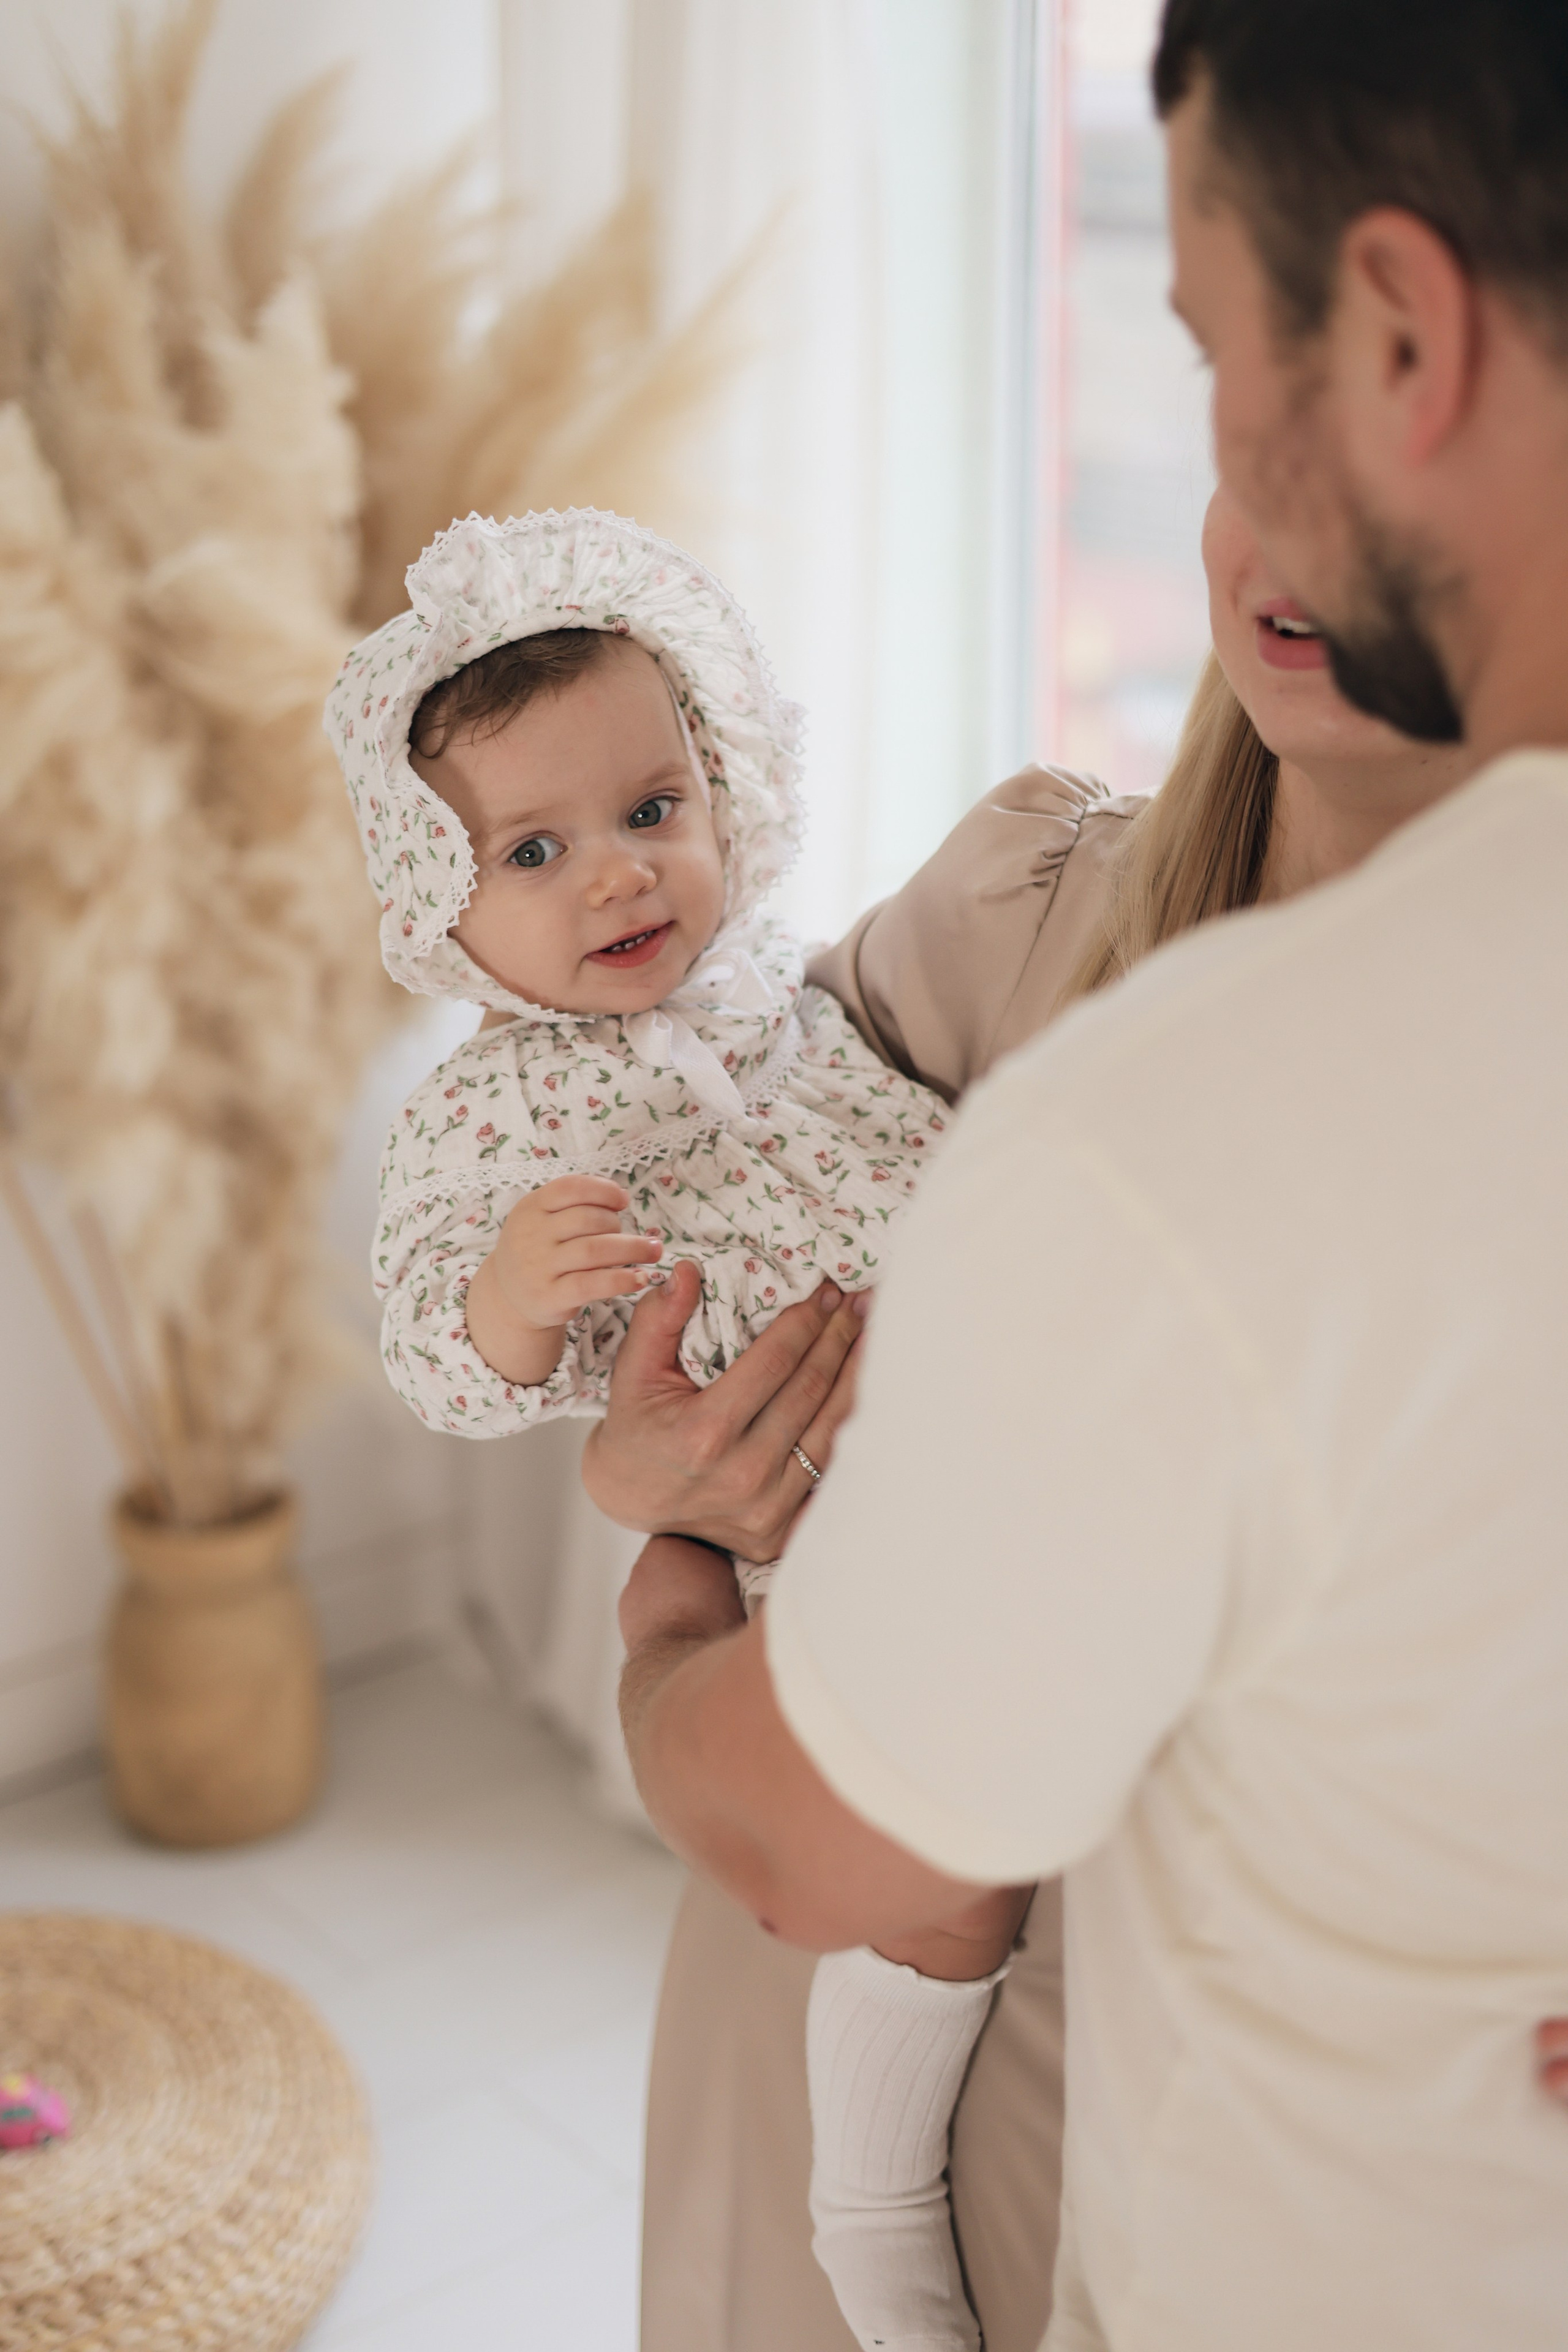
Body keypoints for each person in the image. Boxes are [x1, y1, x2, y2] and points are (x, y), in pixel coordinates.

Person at [611, 6, 1568, 2346]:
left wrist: (663, 1643)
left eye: (1213, 344)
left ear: (1403, 338)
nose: (1220, 462)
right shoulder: (1056, 947)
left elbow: (795, 1819)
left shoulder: (1194, 1141)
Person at [325, 504, 1044, 2352]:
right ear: (443, 903)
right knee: (946, 1873)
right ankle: (876, 2205)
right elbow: (427, 1348)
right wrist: (506, 1296)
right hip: (811, 1517)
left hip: (969, 1414)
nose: (616, 881)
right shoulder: (487, 1122)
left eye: (653, 812)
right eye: (535, 850)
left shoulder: (793, 1004)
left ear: (722, 789)